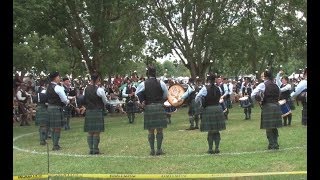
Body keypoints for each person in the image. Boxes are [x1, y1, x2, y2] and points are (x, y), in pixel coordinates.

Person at [135, 65, 168, 156]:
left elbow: (137, 94)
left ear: (148, 73)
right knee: (160, 130)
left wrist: (142, 101)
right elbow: (166, 95)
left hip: (149, 107)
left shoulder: (143, 84)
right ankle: (159, 149)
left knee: (150, 130)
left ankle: (152, 150)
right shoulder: (161, 83)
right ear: (155, 72)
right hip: (159, 106)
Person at [251, 70, 283, 150]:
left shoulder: (263, 84)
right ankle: (275, 143)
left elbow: (253, 94)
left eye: (262, 76)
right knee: (274, 126)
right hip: (276, 106)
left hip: (268, 106)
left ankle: (272, 145)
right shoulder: (276, 85)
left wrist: (258, 99)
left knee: (269, 127)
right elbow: (279, 93)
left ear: (265, 77)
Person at [195, 73, 226, 154]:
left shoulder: (204, 89)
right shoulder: (218, 88)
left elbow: (197, 98)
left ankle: (210, 149)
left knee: (210, 130)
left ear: (208, 80)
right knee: (216, 130)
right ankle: (217, 148)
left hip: (208, 109)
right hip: (218, 108)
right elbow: (220, 97)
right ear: (214, 79)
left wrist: (201, 103)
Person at [83, 73, 109, 155]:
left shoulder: (85, 89)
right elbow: (105, 101)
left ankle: (91, 150)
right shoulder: (100, 90)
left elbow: (84, 99)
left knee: (90, 131)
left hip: (89, 111)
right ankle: (95, 149)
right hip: (97, 111)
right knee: (97, 131)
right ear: (98, 79)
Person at [46, 71, 70, 151]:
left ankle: (55, 144)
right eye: (59, 77)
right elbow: (64, 100)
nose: (60, 78)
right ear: (56, 78)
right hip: (56, 108)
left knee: (53, 128)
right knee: (57, 128)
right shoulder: (58, 87)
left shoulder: (48, 87)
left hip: (50, 108)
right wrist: (68, 101)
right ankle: (55, 145)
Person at [33, 79, 49, 145]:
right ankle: (43, 140)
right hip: (44, 108)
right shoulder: (45, 92)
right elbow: (47, 102)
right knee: (44, 126)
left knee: (41, 126)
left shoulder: (37, 93)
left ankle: (42, 139)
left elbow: (35, 101)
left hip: (38, 108)